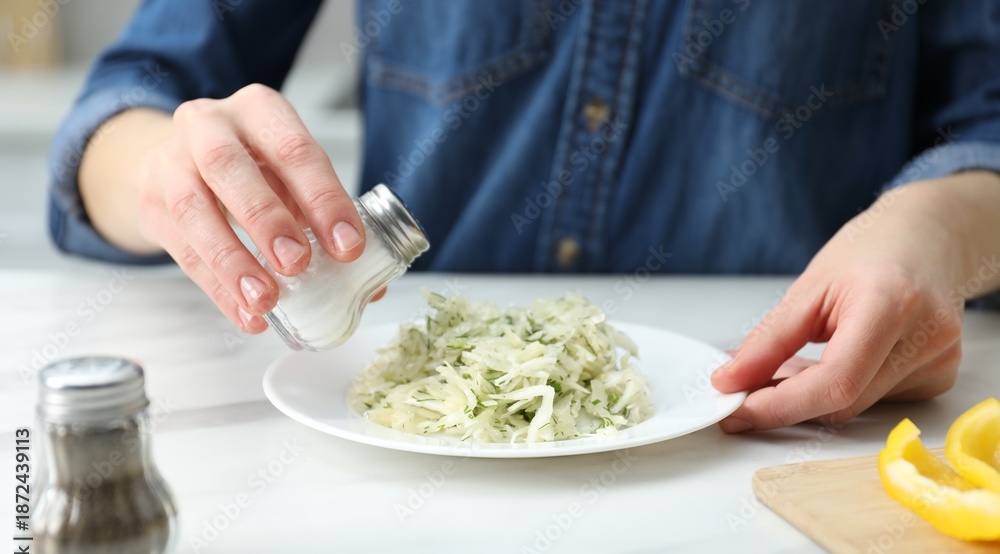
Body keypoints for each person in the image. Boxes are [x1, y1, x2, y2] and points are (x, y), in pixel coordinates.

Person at [49, 1, 1000, 433]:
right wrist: (166, 171)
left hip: (776, 422)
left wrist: (937, 230)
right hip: (398, 441)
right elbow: (130, 98)